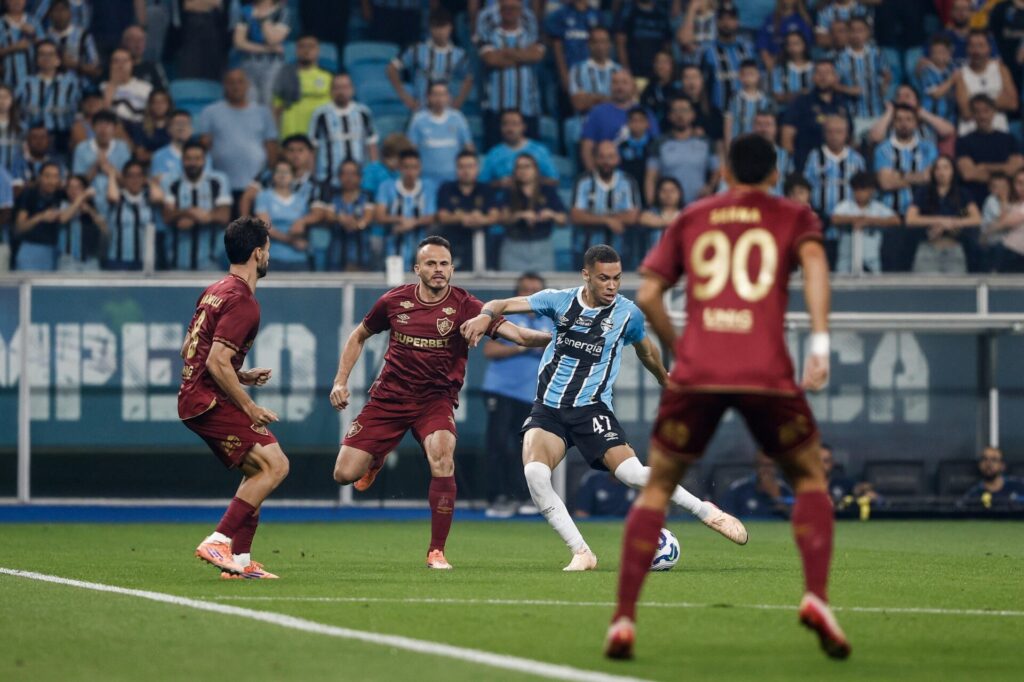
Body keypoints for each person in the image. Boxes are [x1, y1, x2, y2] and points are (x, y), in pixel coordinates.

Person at [604, 134, 847, 661]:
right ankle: (817, 598)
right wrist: (821, 343)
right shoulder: (794, 215)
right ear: (775, 173)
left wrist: (682, 348)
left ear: (726, 170)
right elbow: (817, 269)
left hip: (701, 371)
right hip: (766, 370)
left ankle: (623, 620)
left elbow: (647, 294)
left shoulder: (695, 215)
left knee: (657, 488)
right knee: (809, 479)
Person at [461, 244, 749, 572]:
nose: (612, 285)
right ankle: (582, 553)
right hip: (549, 409)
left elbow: (647, 351)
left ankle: (707, 512)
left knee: (632, 473)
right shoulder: (559, 300)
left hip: (592, 409)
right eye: (603, 278)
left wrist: (665, 380)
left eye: (616, 278)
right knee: (535, 474)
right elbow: (499, 304)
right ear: (586, 276)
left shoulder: (627, 314)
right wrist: (485, 317)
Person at [330, 235, 552, 568]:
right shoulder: (393, 301)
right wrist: (340, 381)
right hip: (389, 398)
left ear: (452, 268)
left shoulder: (467, 306)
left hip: (435, 400)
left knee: (443, 457)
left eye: (444, 264)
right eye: (431, 264)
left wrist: (562, 337)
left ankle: (437, 551)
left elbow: (520, 335)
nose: (439, 270)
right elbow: (359, 334)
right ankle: (374, 458)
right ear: (417, 268)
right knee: (344, 474)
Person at [182, 216, 288, 580]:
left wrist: (239, 374)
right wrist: (250, 406)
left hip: (196, 395)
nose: (269, 256)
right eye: (268, 249)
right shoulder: (243, 300)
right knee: (276, 465)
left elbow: (190, 350)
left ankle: (240, 563)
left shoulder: (215, 289)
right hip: (207, 400)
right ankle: (218, 539)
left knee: (258, 469)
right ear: (258, 253)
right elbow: (213, 360)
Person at [481, 271, 552, 517]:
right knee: (499, 444)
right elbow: (489, 349)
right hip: (501, 390)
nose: (530, 294)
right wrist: (523, 345)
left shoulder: (551, 320)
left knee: (527, 448)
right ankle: (497, 497)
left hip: (531, 395)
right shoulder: (505, 318)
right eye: (525, 289)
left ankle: (523, 497)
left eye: (536, 290)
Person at [197, 69, 279, 210]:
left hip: (256, 187)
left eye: (240, 82)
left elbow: (271, 148)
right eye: (231, 82)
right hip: (222, 186)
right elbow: (204, 147)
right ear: (224, 85)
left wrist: (269, 180)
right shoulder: (210, 112)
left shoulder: (263, 113)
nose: (236, 86)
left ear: (247, 85)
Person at [478, 0, 545, 149]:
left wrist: (507, 53)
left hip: (528, 106)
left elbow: (537, 56)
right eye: (506, 8)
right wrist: (523, 55)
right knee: (495, 154)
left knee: (530, 155)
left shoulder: (530, 32)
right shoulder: (491, 33)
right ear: (500, 11)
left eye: (514, 8)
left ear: (521, 10)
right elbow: (491, 59)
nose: (510, 12)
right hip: (496, 107)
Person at [162, 140, 232, 271]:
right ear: (182, 160)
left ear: (205, 160)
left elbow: (224, 216)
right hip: (177, 262)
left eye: (197, 159)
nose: (193, 163)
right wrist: (190, 212)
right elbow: (167, 216)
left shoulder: (218, 181)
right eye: (188, 159)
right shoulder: (171, 182)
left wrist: (202, 218)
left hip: (211, 264)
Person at [803, 115, 865, 262]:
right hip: (821, 228)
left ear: (847, 134)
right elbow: (805, 188)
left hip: (849, 230)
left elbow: (864, 191)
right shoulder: (814, 157)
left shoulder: (857, 160)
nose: (834, 136)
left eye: (839, 132)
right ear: (824, 133)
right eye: (830, 132)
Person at [570, 142, 642, 266]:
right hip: (585, 253)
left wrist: (593, 217)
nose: (606, 161)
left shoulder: (628, 181)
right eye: (601, 156)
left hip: (621, 252)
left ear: (618, 158)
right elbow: (576, 216)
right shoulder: (583, 181)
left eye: (610, 156)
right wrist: (608, 221)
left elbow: (632, 216)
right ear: (595, 159)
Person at [906, 155, 981, 273]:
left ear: (952, 171)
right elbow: (910, 219)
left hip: (954, 249)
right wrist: (939, 221)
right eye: (938, 168)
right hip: (928, 249)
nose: (941, 172)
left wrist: (951, 223)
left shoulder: (963, 193)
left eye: (946, 168)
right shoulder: (924, 192)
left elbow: (976, 218)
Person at [388, 8, 472, 111]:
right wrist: (406, 98)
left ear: (450, 28)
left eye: (443, 26)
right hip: (421, 110)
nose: (440, 31)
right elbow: (392, 69)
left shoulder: (460, 55)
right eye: (436, 26)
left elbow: (469, 77)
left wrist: (458, 102)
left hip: (448, 112)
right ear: (430, 28)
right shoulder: (416, 50)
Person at [645, 96, 719, 209]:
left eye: (684, 110)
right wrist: (651, 205)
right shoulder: (659, 143)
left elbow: (718, 171)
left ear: (692, 115)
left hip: (699, 206)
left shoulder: (706, 142)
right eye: (676, 111)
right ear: (669, 116)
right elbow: (650, 177)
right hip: (669, 209)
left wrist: (710, 187)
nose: (680, 115)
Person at [579, 69, 659, 172]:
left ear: (633, 87)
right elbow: (587, 148)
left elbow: (656, 147)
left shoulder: (645, 113)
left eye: (625, 83)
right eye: (615, 82)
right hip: (607, 173)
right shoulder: (597, 112)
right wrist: (594, 177)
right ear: (610, 86)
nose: (620, 87)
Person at [308, 73, 378, 188]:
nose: (341, 92)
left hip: (359, 180)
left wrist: (373, 174)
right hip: (328, 179)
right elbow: (313, 147)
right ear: (331, 91)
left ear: (352, 90)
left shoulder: (363, 113)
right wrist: (312, 175)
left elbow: (371, 145)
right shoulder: (320, 114)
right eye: (337, 88)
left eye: (345, 87)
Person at [499, 153, 566, 271]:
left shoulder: (547, 190)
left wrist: (552, 214)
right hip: (514, 245)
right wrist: (519, 215)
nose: (523, 170)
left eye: (527, 166)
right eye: (519, 167)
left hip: (542, 246)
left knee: (545, 288)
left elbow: (563, 219)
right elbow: (502, 218)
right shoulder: (509, 191)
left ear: (535, 169)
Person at [781, 59, 851, 172]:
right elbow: (786, 137)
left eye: (827, 73)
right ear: (812, 77)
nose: (823, 77)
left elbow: (849, 136)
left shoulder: (842, 103)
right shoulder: (801, 102)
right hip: (805, 166)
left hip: (836, 167)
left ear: (835, 77)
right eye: (819, 73)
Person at [374, 149, 438, 268]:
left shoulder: (428, 187)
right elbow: (379, 215)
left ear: (420, 168)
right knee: (396, 284)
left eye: (414, 167)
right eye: (406, 167)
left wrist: (412, 223)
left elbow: (432, 217)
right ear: (399, 168)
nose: (410, 172)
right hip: (392, 248)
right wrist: (399, 220)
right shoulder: (387, 186)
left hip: (421, 250)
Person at [956, 94, 1023, 206]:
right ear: (972, 115)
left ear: (993, 112)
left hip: (1008, 200)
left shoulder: (1009, 139)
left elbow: (1015, 170)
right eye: (977, 112)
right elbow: (968, 174)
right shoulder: (963, 141)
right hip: (975, 199)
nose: (982, 116)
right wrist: (1002, 171)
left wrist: (984, 167)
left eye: (986, 111)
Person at [435, 150, 497, 271]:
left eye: (470, 166)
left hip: (482, 245)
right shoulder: (447, 188)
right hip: (452, 244)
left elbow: (495, 216)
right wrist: (465, 218)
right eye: (461, 167)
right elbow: (443, 216)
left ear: (477, 168)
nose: (466, 171)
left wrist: (479, 219)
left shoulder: (486, 189)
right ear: (456, 169)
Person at [16, 39, 79, 155]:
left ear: (58, 60)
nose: (46, 58)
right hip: (32, 136)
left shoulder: (71, 84)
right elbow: (15, 108)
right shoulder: (26, 83)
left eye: (50, 54)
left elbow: (77, 111)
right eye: (42, 54)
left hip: (61, 136)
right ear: (37, 59)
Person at [830, 171, 900, 274]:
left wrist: (869, 221)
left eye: (863, 190)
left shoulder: (878, 207)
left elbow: (896, 220)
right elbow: (835, 218)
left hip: (871, 259)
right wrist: (855, 220)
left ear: (871, 190)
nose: (860, 194)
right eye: (856, 190)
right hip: (846, 259)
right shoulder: (845, 206)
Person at [254, 160, 317, 271]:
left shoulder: (301, 200)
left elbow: (304, 228)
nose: (282, 175)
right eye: (279, 171)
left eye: (286, 172)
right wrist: (291, 241)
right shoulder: (263, 196)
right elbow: (265, 227)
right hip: (271, 257)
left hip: (299, 258)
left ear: (293, 176)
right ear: (273, 176)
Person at [407, 82, 474, 187]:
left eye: (443, 94)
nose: (439, 99)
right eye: (435, 95)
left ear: (449, 97)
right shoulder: (418, 119)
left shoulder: (458, 118)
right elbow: (411, 151)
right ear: (428, 97)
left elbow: (468, 148)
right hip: (426, 180)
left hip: (454, 180)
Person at [102, 158, 163, 271]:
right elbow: (112, 196)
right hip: (117, 260)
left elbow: (159, 197)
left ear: (143, 178)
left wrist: (150, 182)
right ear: (124, 178)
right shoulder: (118, 198)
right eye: (130, 176)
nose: (135, 180)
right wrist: (112, 175)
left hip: (145, 261)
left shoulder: (148, 198)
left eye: (138, 175)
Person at [834, 16, 889, 140]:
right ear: (847, 33)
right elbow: (833, 84)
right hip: (854, 114)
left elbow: (886, 73)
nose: (856, 34)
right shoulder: (840, 58)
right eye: (852, 31)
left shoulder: (877, 53)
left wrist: (884, 85)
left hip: (878, 111)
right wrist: (848, 90)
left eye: (860, 30)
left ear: (867, 33)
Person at [954, 29, 1017, 135]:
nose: (976, 51)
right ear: (967, 49)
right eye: (972, 46)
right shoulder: (960, 74)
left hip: (999, 132)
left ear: (989, 48)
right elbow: (966, 112)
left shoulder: (1001, 69)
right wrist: (996, 101)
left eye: (981, 45)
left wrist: (976, 106)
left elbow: (1012, 103)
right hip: (969, 134)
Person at [478, 109, 557, 188]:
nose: (510, 128)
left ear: (523, 127)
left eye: (514, 124)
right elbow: (481, 184)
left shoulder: (539, 150)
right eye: (505, 124)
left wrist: (528, 180)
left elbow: (554, 181)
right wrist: (499, 183)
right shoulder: (494, 153)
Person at [272, 34, 332, 139]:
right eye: (302, 46)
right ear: (296, 51)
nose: (306, 50)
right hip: (291, 132)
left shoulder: (328, 77)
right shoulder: (285, 75)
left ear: (318, 50)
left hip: (320, 133)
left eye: (311, 46)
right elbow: (277, 109)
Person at [699, 2, 755, 111]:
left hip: (747, 111)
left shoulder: (748, 49)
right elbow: (703, 85)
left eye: (731, 19)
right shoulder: (708, 51)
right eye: (722, 19)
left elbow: (758, 80)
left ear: (737, 22)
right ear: (717, 22)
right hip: (717, 113)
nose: (726, 23)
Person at [233, 0, 289, 107]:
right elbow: (239, 42)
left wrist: (264, 20)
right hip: (248, 64)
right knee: (250, 102)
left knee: (269, 100)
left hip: (273, 65)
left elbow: (272, 39)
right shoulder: (245, 11)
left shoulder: (282, 12)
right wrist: (267, 49)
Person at [545, 0, 604, 102]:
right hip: (568, 71)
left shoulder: (597, 15)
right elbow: (557, 47)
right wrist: (564, 75)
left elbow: (601, 45)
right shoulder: (559, 15)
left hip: (591, 73)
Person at [323, 159, 375, 271]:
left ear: (360, 177)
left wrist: (357, 224)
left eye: (353, 174)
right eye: (345, 174)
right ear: (339, 177)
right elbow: (328, 215)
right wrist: (340, 219)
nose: (349, 178)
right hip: (337, 253)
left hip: (361, 253)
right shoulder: (332, 196)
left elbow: (368, 217)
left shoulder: (367, 196)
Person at [12, 161, 64, 270]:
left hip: (53, 251)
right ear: (40, 177)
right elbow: (19, 228)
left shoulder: (60, 195)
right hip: (30, 250)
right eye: (47, 176)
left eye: (55, 176)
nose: (51, 181)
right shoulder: (29, 195)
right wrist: (41, 217)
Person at [720, 452, 794, 519]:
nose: (766, 470)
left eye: (770, 465)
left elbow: (795, 516)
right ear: (756, 467)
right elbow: (726, 515)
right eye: (763, 465)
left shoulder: (786, 489)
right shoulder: (739, 489)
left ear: (776, 468)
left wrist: (777, 497)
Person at [55, 173, 105, 271]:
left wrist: (90, 212)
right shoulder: (62, 205)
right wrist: (82, 198)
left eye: (78, 187)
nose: (74, 191)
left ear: (84, 188)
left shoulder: (93, 206)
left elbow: (104, 229)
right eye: (70, 187)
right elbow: (63, 219)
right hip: (67, 261)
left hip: (91, 261)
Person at [613, 0, 672, 80]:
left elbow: (667, 45)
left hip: (657, 71)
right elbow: (620, 42)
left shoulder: (661, 13)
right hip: (634, 71)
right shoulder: (627, 11)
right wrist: (626, 69)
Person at [567, 27, 620, 117]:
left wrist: (592, 98)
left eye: (604, 42)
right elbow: (579, 104)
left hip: (614, 121)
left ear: (610, 44)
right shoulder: (577, 70)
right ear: (589, 45)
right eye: (596, 42)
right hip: (586, 121)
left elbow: (625, 102)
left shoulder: (619, 70)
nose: (600, 46)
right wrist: (609, 99)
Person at [44, 0, 100, 85]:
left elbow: (96, 70)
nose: (60, 14)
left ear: (70, 13)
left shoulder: (84, 37)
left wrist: (75, 65)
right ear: (50, 14)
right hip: (51, 88)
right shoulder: (45, 37)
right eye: (56, 10)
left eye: (63, 10)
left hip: (79, 87)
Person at [723, 59, 772, 149]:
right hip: (738, 146)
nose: (748, 77)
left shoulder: (766, 100)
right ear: (740, 77)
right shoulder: (733, 99)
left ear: (758, 76)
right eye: (745, 74)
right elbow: (728, 127)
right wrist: (728, 149)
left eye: (751, 74)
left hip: (759, 147)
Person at [983, 168, 1024, 272]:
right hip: (1007, 253)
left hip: (1016, 254)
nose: (1021, 187)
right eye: (1018, 183)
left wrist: (992, 228)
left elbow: (1006, 223)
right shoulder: (1011, 203)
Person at [71, 109, 131, 180]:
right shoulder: (81, 148)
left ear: (114, 128)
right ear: (93, 127)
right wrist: (96, 166)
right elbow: (77, 183)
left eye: (108, 125)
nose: (103, 129)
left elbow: (127, 182)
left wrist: (108, 168)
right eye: (100, 124)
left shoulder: (122, 147)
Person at [958, 447, 1024, 508]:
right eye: (984, 459)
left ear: (1002, 466)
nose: (988, 463)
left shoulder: (1018, 486)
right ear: (980, 465)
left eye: (994, 459)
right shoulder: (974, 495)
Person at [102, 47, 152, 127]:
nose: (120, 65)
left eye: (125, 61)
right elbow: (102, 117)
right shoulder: (102, 87)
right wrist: (112, 85)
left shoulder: (146, 88)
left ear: (132, 63)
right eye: (116, 61)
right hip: (113, 130)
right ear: (110, 65)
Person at [756, 0, 813, 70]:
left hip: (793, 62)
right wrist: (767, 59)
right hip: (771, 62)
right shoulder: (770, 19)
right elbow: (762, 43)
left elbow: (805, 46)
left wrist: (780, 58)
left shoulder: (802, 20)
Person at [635, 176, 682, 259]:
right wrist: (678, 222)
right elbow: (641, 218)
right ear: (657, 193)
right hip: (653, 263)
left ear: (680, 193)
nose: (668, 195)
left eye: (672, 191)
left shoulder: (686, 212)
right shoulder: (651, 213)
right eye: (664, 191)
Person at [0, 0, 41, 92]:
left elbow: (47, 48)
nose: (16, 2)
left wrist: (33, 35)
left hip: (33, 80)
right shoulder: (1, 24)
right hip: (7, 81)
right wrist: (13, 48)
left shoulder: (34, 22)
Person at [770, 29, 813, 111]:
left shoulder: (815, 68)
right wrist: (799, 95)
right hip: (787, 112)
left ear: (804, 45)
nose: (792, 47)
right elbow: (778, 96)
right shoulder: (779, 70)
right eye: (789, 44)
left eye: (796, 43)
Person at [125, 88, 171, 164]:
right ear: (150, 105)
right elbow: (141, 156)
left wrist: (152, 155)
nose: (159, 105)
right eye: (155, 102)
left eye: (162, 102)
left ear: (168, 105)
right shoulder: (140, 127)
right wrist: (163, 156)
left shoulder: (175, 126)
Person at [640, 51, 683, 127]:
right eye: (658, 62)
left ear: (672, 65)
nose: (661, 66)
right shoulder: (648, 89)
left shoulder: (680, 88)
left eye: (665, 62)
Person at [618, 106, 656, 192]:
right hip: (627, 188)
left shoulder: (655, 144)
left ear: (647, 123)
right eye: (633, 121)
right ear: (628, 124)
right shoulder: (622, 146)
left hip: (651, 188)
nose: (637, 124)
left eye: (641, 121)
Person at [121, 23, 167, 91]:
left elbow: (162, 93)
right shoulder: (117, 67)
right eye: (133, 39)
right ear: (125, 42)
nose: (137, 43)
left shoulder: (153, 67)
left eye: (141, 39)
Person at [0, 83, 23, 174]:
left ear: (12, 100)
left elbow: (23, 153)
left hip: (13, 173)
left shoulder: (21, 127)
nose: (2, 101)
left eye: (5, 97)